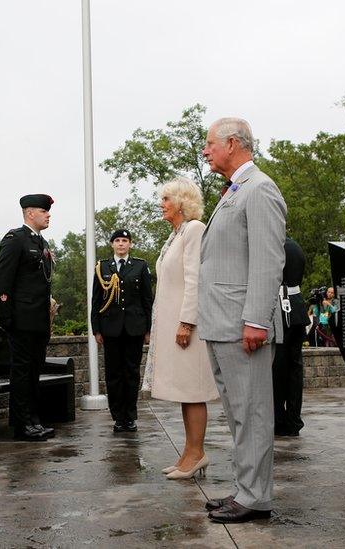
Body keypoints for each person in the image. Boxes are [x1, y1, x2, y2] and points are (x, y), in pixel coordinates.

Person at [198, 117, 287, 524]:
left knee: (252, 412)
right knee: (238, 413)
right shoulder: (235, 190)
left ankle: (254, 497)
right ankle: (246, 489)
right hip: (221, 323)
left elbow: (268, 261)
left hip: (242, 324)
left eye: (209, 143)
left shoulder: (260, 188)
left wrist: (256, 320)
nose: (205, 151)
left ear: (232, 143)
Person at [142, 177, 219, 479]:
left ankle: (197, 454)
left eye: (166, 199)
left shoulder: (194, 230)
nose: (161, 205)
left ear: (181, 203)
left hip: (189, 326)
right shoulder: (175, 235)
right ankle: (188, 452)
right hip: (173, 323)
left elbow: (194, 279)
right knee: (185, 393)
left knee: (193, 390)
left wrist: (187, 322)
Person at [0, 194, 56, 442]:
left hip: (39, 320)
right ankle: (21, 425)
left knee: (33, 371)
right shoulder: (15, 239)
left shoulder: (41, 242)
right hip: (21, 319)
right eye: (44, 211)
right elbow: (2, 279)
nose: (48, 215)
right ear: (30, 213)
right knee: (21, 372)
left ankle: (33, 420)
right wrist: (5, 315)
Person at [91, 229, 153, 433]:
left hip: (134, 328)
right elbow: (96, 301)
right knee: (113, 374)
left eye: (124, 240)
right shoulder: (102, 267)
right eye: (117, 240)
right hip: (111, 329)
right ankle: (118, 418)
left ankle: (130, 416)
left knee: (132, 373)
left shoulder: (140, 266)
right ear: (112, 245)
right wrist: (96, 329)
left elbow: (147, 300)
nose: (121, 244)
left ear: (130, 244)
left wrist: (148, 329)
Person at [273, 236, 309, 437]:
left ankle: (279, 419)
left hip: (280, 308)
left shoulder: (275, 245)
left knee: (278, 368)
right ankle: (294, 419)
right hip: (296, 307)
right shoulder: (295, 246)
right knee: (295, 369)